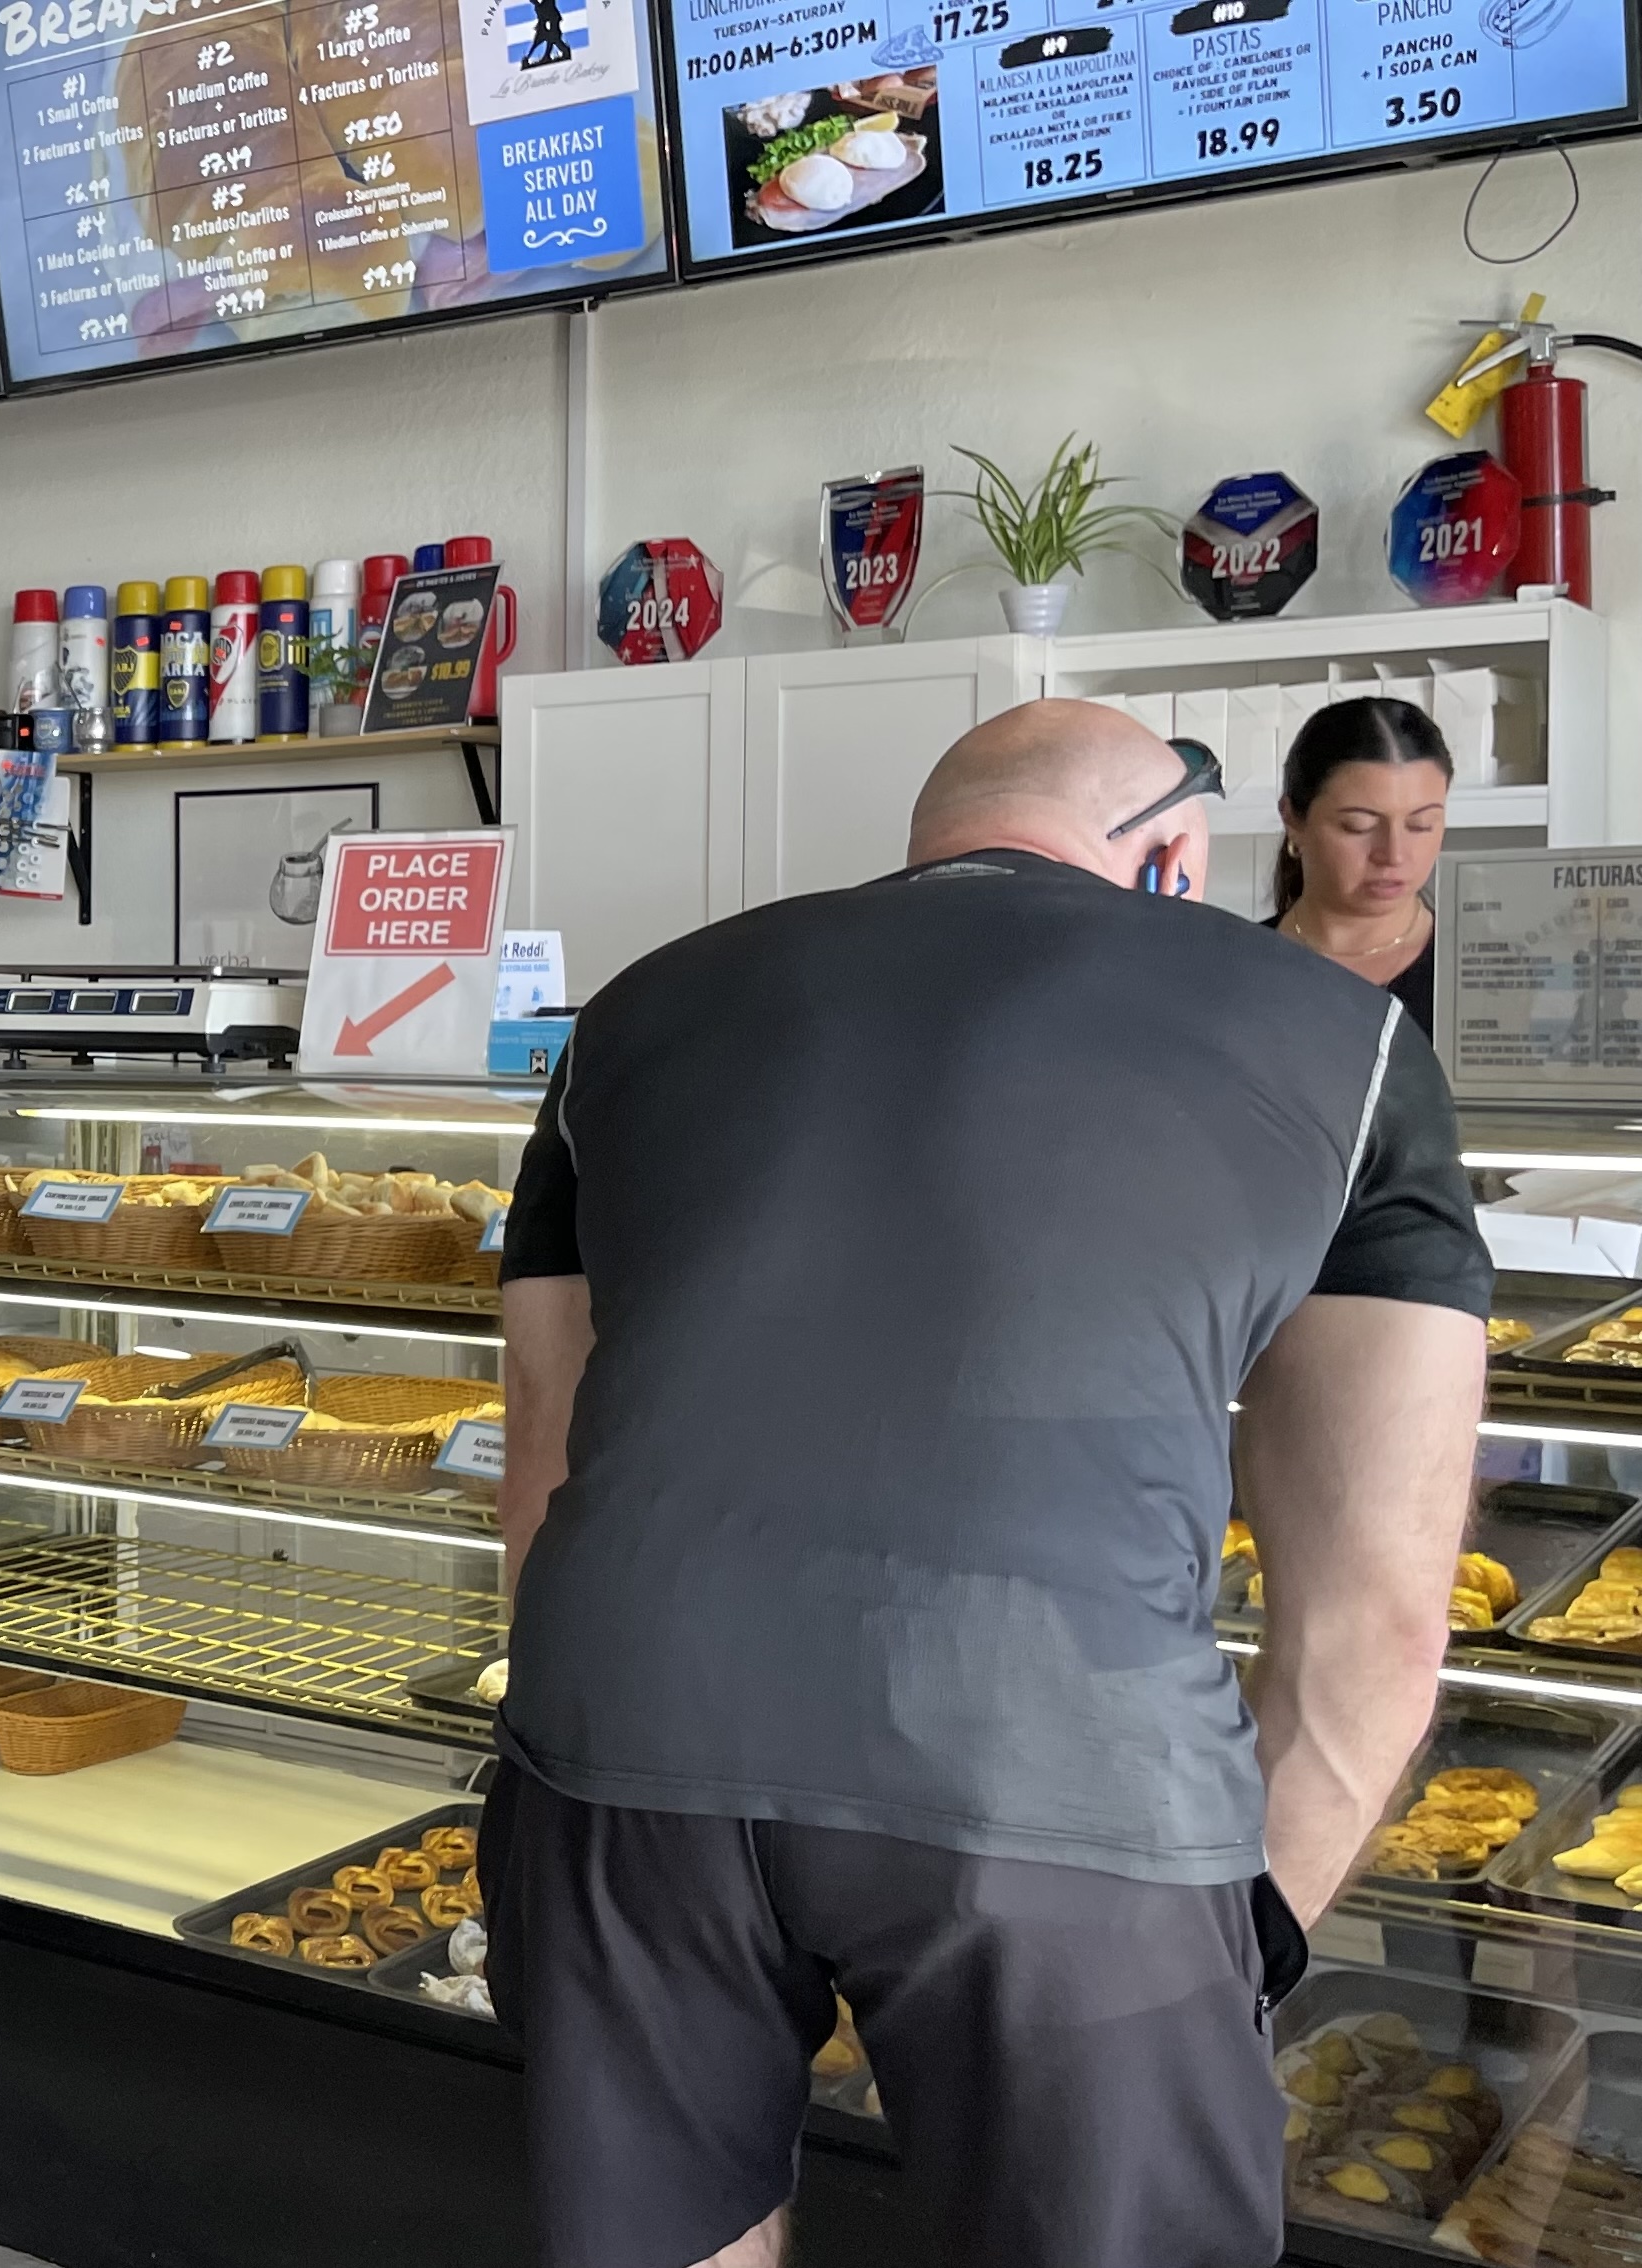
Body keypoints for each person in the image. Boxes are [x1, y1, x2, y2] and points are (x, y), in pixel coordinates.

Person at [486, 699, 1490, 2268]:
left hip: (622, 1747)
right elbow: (1381, 1618)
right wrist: (1249, 1933)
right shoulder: (1350, 1043)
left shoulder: (631, 1014)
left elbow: (542, 1473)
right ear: (1171, 855)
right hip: (1063, 1771)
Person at [1268, 694, 1453, 1033]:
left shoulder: (1471, 976)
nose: (1394, 854)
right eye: (1358, 826)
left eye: (1420, 825)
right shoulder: (1238, 968)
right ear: (1293, 820)